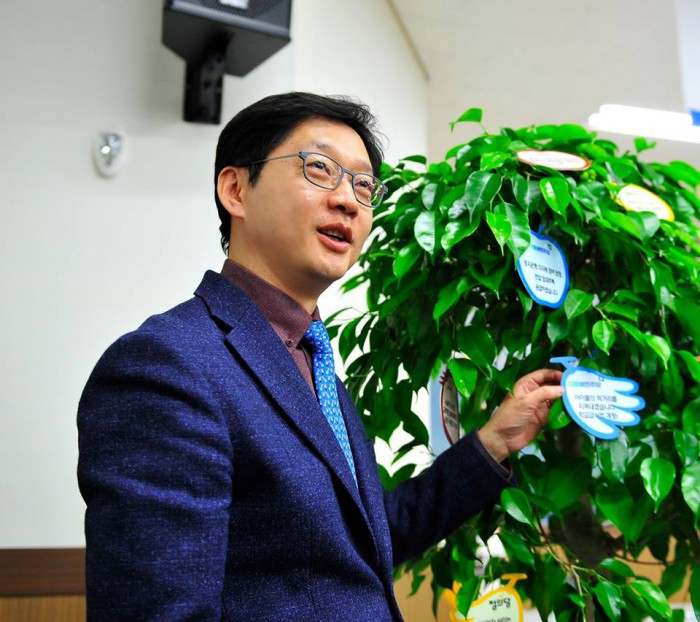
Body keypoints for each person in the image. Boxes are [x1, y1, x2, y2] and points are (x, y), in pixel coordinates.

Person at [77, 92, 564, 621]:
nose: (349, 201)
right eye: (320, 169)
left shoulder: (311, 359)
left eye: (364, 186)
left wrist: (494, 444)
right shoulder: (167, 366)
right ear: (236, 190)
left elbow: (360, 540)